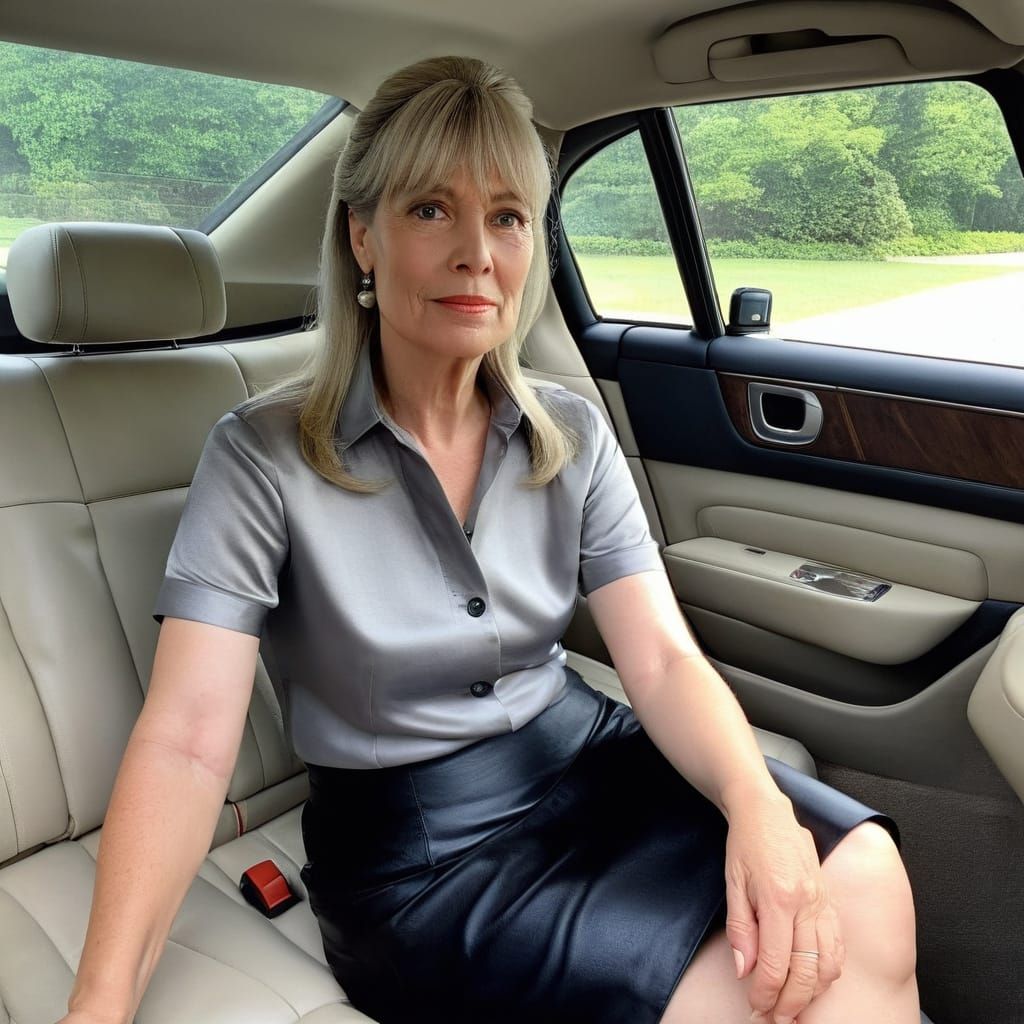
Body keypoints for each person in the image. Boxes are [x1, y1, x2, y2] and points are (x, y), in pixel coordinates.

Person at [61, 56, 920, 1024]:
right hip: (423, 856)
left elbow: (664, 660)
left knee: (863, 875)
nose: (477, 250)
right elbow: (186, 741)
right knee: (747, 1000)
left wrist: (757, 809)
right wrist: (100, 1001)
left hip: (591, 756)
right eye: (431, 209)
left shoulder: (570, 429)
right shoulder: (262, 454)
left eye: (507, 215)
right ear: (362, 238)